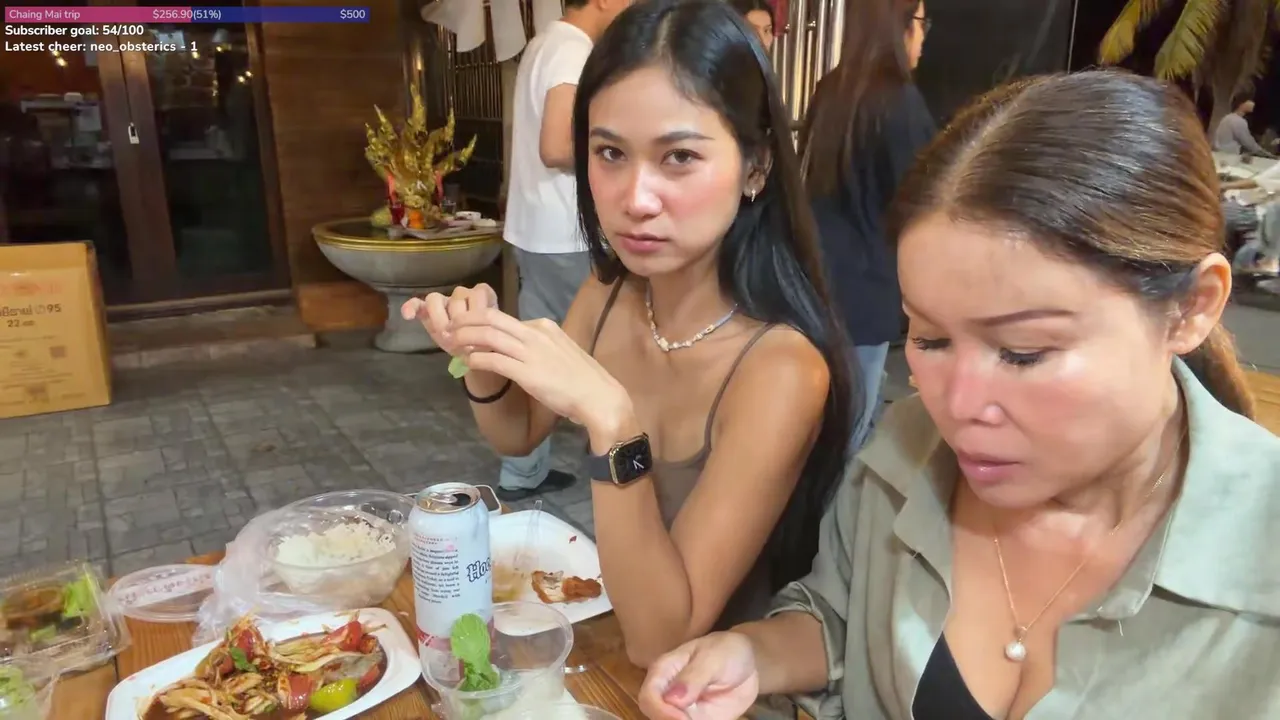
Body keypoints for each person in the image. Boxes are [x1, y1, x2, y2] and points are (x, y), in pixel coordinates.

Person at [639, 71, 1280, 720]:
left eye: (1024, 352)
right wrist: (754, 654)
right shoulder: (903, 456)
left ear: (1191, 309)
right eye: (930, 339)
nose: (958, 406)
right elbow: (839, 616)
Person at [404, 0, 854, 669]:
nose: (635, 198)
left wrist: (613, 425)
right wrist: (483, 353)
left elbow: (661, 639)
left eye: (679, 157)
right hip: (615, 640)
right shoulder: (611, 293)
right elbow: (518, 431)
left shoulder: (782, 369)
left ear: (756, 167)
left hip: (719, 688)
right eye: (610, 152)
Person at [497, 0, 633, 501]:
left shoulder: (543, 44)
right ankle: (623, 469)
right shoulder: (572, 51)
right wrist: (620, 151)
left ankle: (522, 472)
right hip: (566, 235)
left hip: (537, 229)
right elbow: (556, 147)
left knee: (537, 354)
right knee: (611, 351)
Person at [799, 0, 935, 452]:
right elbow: (922, 203)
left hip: (813, 280)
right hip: (865, 292)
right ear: (899, 26)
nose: (924, 36)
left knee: (815, 422)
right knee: (847, 434)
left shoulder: (831, 88)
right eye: (921, 22)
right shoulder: (900, 102)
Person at [1213, 92, 1277, 159]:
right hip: (1230, 157)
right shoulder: (1238, 121)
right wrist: (1269, 156)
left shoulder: (1227, 117)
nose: (1253, 104)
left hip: (1220, 155)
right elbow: (1250, 145)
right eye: (1250, 101)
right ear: (1242, 104)